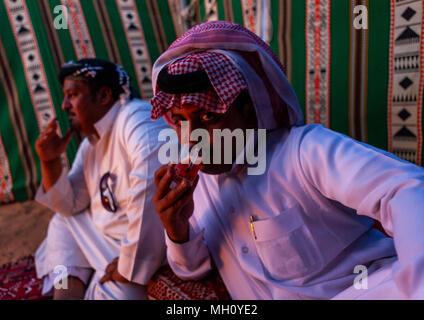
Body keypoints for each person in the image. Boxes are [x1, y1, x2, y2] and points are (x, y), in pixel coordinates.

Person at [150, 21, 424, 300]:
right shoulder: (198, 185)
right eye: (181, 121)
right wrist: (177, 229)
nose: (191, 137)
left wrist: (417, 283)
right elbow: (192, 269)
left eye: (208, 117)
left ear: (248, 110)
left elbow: (407, 189)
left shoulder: (303, 151)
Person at [34, 58, 168, 300]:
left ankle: (92, 283)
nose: (65, 105)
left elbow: (152, 192)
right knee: (63, 222)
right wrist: (50, 162)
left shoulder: (137, 120)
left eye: (73, 94)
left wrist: (128, 267)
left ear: (104, 95)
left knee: (120, 295)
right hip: (109, 242)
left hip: (148, 249)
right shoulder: (90, 144)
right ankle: (67, 288)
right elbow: (68, 204)